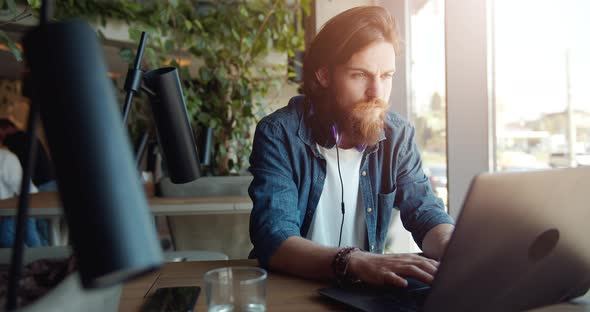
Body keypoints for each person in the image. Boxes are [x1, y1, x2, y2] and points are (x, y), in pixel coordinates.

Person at [248, 6, 455, 287]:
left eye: (386, 75)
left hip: (362, 293)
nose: (377, 92)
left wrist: (453, 247)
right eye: (360, 75)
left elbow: (425, 213)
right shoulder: (279, 133)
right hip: (291, 288)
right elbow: (273, 238)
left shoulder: (398, 134)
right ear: (323, 75)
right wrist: (354, 261)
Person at [0, 148, 42, 247]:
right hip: (7, 210)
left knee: (7, 237)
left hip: (19, 207)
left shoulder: (5, 158)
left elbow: (26, 190)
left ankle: (38, 261)